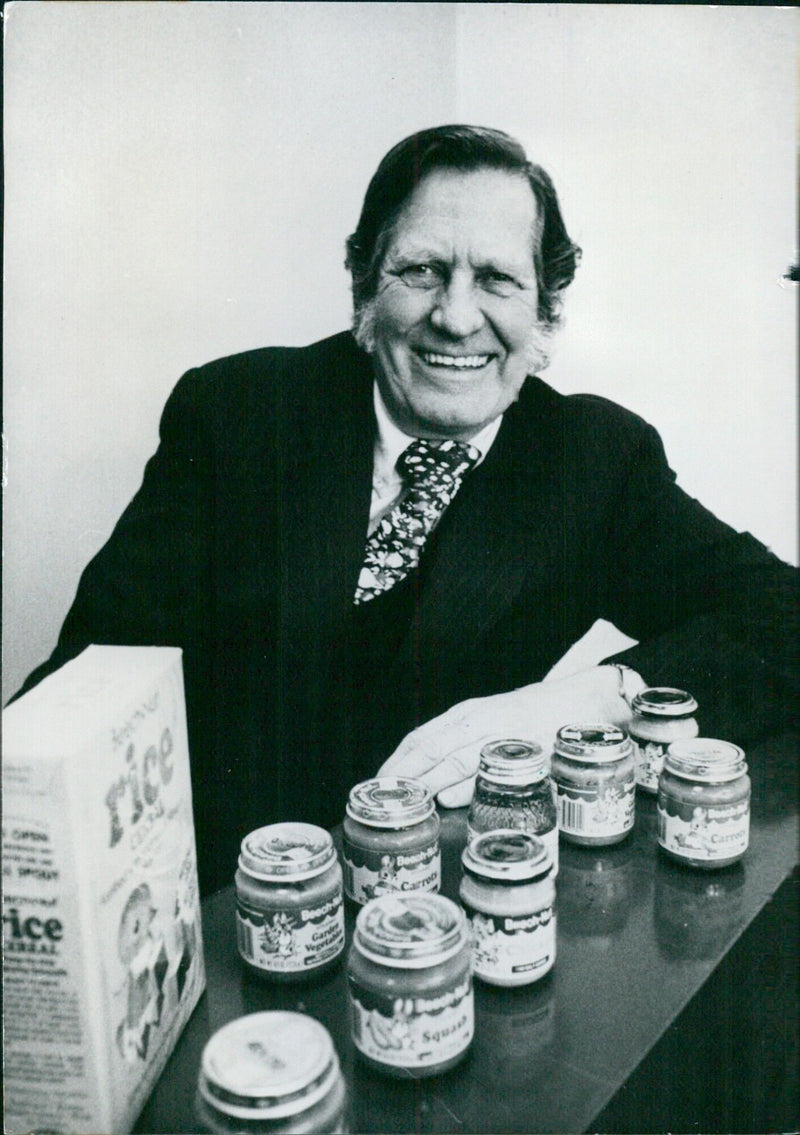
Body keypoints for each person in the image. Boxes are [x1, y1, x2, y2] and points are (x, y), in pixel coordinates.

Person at [18, 125, 799, 896]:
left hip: (445, 902)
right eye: (422, 270)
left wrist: (594, 698)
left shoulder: (591, 461)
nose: (456, 317)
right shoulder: (236, 414)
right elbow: (89, 681)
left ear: (545, 308)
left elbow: (782, 612)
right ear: (365, 278)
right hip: (209, 897)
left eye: (497, 279)